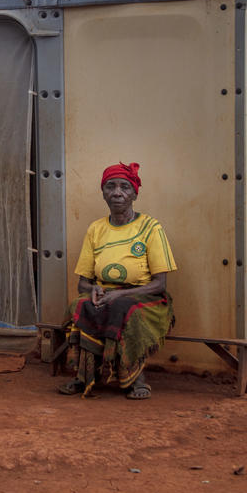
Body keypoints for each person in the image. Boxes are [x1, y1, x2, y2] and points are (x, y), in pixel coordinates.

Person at [58, 162, 176, 398]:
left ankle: (135, 379)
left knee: (122, 308)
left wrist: (118, 294)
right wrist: (94, 291)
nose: (117, 193)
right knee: (81, 305)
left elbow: (160, 283)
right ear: (103, 193)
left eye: (124, 187)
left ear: (134, 194)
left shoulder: (151, 228)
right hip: (106, 294)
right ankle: (84, 377)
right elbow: (83, 283)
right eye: (110, 187)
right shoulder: (96, 229)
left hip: (145, 296)